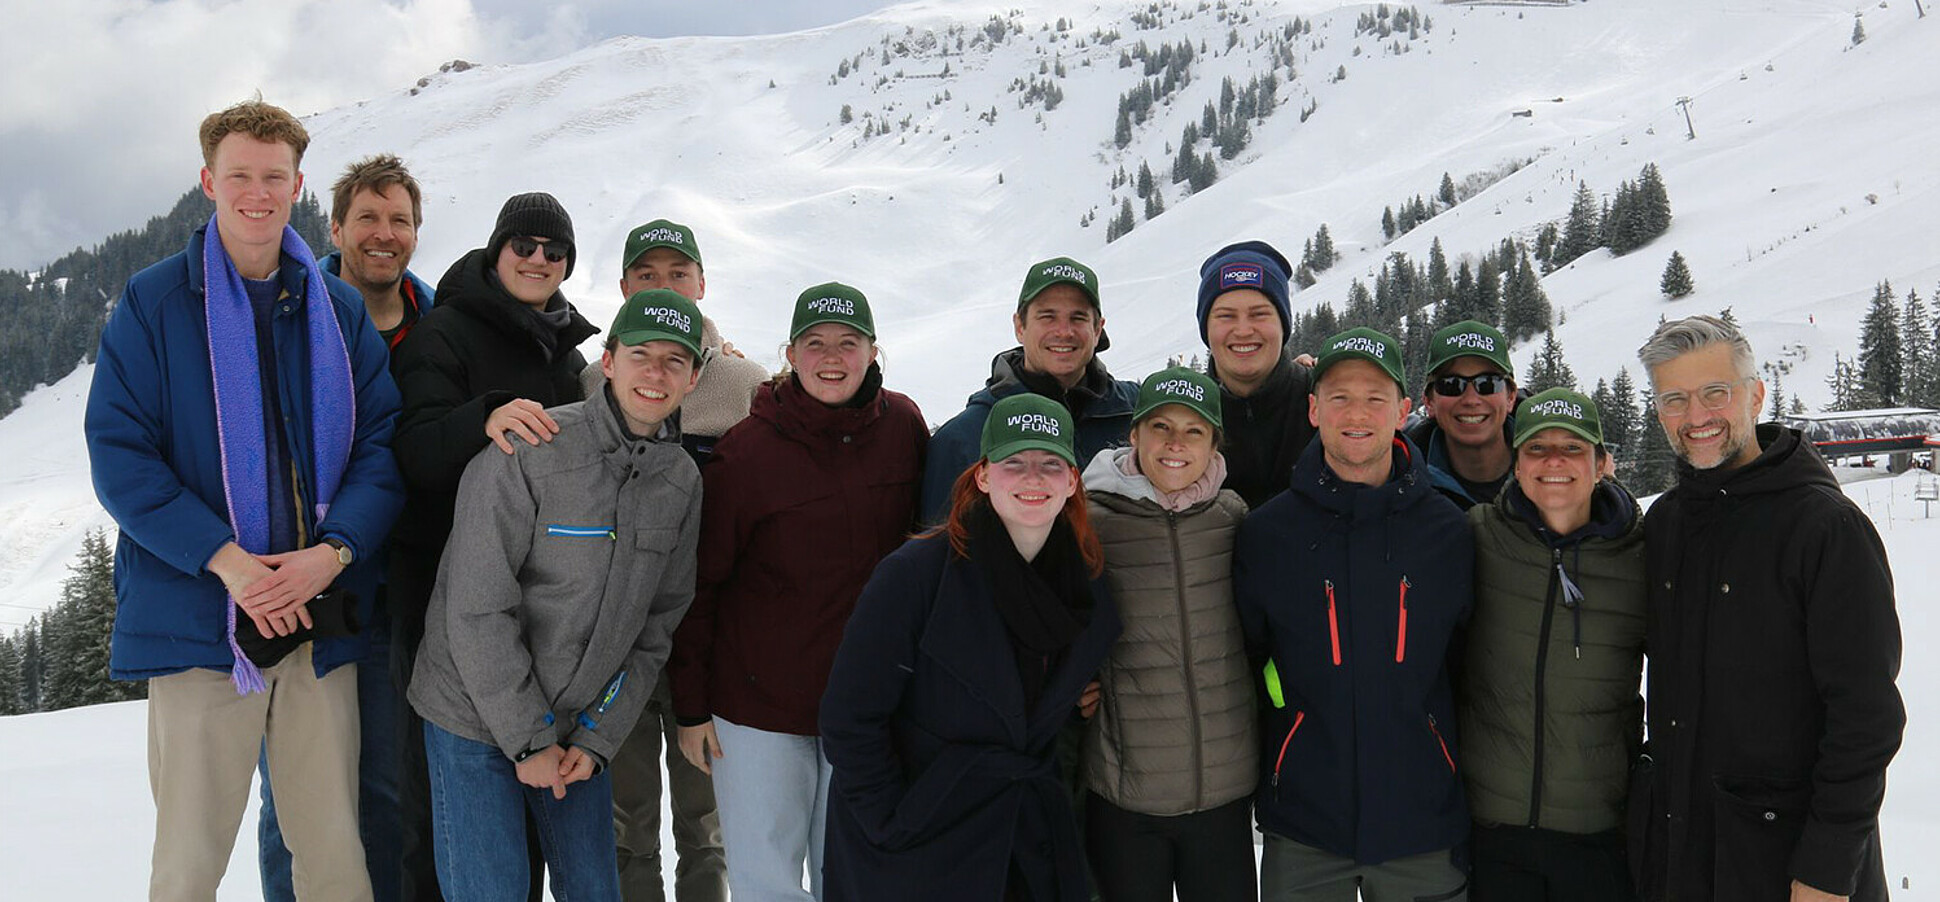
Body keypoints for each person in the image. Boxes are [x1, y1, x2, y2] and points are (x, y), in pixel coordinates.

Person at [84, 98, 403, 901]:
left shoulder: (335, 310)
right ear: (207, 182)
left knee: (334, 857)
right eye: (239, 175)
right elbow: (121, 459)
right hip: (202, 626)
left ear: (297, 186)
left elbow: (380, 449)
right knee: (189, 865)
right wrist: (230, 565)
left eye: (274, 176)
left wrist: (330, 556)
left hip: (317, 624)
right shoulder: (154, 304)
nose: (256, 192)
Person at [406, 289, 707, 900]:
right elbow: (476, 607)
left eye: (675, 361)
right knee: (495, 889)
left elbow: (655, 628)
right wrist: (528, 740)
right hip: (472, 715)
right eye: (641, 354)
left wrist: (597, 737)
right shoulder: (531, 449)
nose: (655, 374)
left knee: (594, 888)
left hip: (576, 726)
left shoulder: (680, 481)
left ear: (695, 377)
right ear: (609, 359)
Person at [668, 282, 927, 901]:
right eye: (815, 344)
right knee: (766, 881)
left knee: (855, 874)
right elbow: (700, 586)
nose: (831, 357)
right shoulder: (748, 452)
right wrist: (691, 707)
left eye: (848, 342)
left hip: (865, 705)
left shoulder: (905, 427)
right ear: (790, 353)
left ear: (873, 352)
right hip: (759, 711)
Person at [1631, 315, 1903, 902]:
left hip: (1790, 868)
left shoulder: (1823, 528)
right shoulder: (1667, 523)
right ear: (1658, 413)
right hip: (1683, 858)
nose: (1697, 416)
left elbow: (1867, 716)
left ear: (1754, 395)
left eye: (1715, 393)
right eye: (1674, 399)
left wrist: (1829, 869)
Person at [821, 393, 1123, 902]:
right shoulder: (915, 576)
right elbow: (849, 719)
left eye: (1051, 463)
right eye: (1014, 462)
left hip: (1021, 837)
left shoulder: (1085, 585)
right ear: (982, 475)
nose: (1033, 477)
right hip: (918, 840)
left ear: (1073, 480)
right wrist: (892, 818)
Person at [387, 190, 598, 900]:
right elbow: (412, 452)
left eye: (554, 251)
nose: (538, 260)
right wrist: (483, 418)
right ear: (498, 247)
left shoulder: (569, 355)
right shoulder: (444, 333)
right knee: (445, 811)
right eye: (525, 246)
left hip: (538, 616)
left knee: (533, 816)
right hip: (446, 604)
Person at [1234, 327, 1472, 901]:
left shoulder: (1448, 531)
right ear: (1314, 409)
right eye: (1339, 397)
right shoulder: (1268, 533)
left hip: (1423, 821)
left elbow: (1466, 663)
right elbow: (1252, 657)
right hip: (1306, 825)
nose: (1357, 413)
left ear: (1405, 409)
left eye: (1375, 397)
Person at [256, 151, 435, 902]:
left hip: (405, 594)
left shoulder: (442, 325)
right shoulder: (292, 309)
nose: (383, 234)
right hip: (306, 588)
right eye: (368, 217)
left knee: (389, 789)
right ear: (334, 227)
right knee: (293, 797)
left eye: (399, 219)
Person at [604, 219, 764, 902]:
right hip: (616, 643)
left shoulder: (745, 384)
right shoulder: (594, 379)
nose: (664, 287)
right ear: (622, 288)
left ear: (701, 283)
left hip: (711, 643)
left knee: (707, 826)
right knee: (625, 823)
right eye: (647, 275)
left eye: (678, 274)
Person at [1458, 388, 1645, 901]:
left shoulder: (1642, 556)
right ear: (1515, 465)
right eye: (1537, 449)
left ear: (1603, 462)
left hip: (1598, 835)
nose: (1554, 461)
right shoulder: (1476, 538)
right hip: (1491, 832)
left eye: (1574, 448)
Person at [1080, 366, 1257, 901]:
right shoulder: (1090, 522)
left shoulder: (1234, 519)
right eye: (1161, 427)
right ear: (1133, 435)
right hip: (1125, 795)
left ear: (1214, 444)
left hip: (1224, 793)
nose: (1176, 444)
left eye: (1194, 430)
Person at [920, 256, 1139, 523]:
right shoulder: (965, 438)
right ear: (1019, 326)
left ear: (1097, 329)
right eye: (1047, 316)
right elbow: (937, 551)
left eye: (1078, 317)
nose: (1064, 331)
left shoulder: (1140, 416)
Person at [1195, 240, 1316, 508]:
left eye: (1259, 314)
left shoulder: (1324, 399)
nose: (1243, 330)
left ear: (1283, 325)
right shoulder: (1185, 414)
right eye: (1226, 316)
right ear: (1206, 330)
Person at [1405, 320, 1520, 510]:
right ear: (1428, 401)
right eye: (1451, 385)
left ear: (1511, 397)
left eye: (1487, 383)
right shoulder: (1402, 483)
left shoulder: (1555, 468)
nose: (1471, 399)